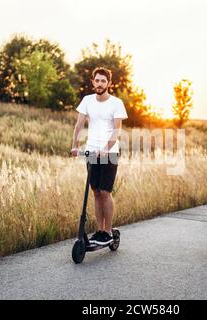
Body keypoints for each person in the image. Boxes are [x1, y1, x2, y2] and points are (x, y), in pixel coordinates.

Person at [71, 67, 128, 245]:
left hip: (109, 153)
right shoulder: (87, 100)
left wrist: (106, 147)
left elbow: (117, 130)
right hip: (91, 151)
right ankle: (99, 230)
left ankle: (109, 232)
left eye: (104, 81)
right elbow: (79, 124)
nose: (100, 83)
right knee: (95, 192)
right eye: (97, 80)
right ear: (93, 81)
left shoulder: (116, 103)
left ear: (109, 83)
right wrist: (75, 145)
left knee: (105, 191)